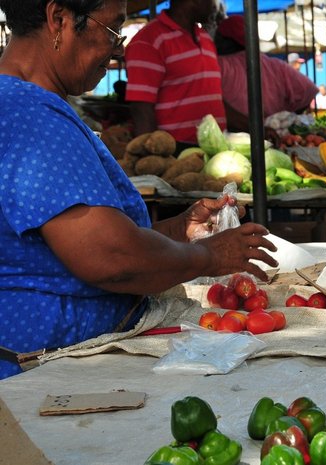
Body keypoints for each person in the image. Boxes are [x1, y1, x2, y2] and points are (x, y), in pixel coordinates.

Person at [0, 0, 277, 381]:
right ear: (59, 20)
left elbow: (69, 244)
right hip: (42, 374)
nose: (119, 49)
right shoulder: (30, 115)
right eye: (114, 30)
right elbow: (110, 258)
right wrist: (206, 257)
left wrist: (178, 232)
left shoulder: (26, 104)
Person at [125, 0, 225, 149]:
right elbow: (141, 109)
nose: (214, 6)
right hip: (175, 151)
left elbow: (213, 95)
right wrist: (154, 157)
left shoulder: (205, 39)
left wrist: (255, 126)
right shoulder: (148, 41)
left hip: (216, 148)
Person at [215, 15, 317, 130]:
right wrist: (285, 116)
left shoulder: (218, 65)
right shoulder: (275, 65)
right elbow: (310, 89)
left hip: (235, 137)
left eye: (218, 37)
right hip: (272, 135)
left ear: (225, 40)